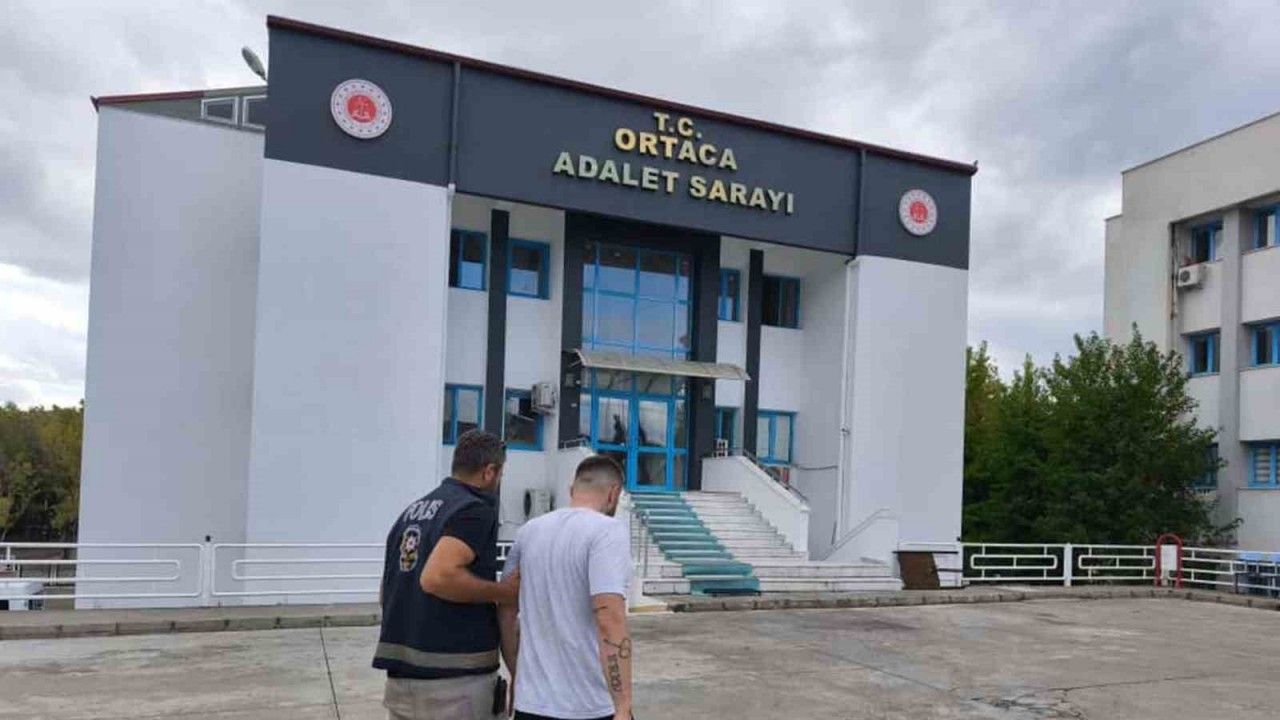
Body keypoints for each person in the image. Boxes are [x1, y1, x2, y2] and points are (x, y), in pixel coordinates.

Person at [373, 429, 518, 720]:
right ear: (489, 471)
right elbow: (437, 577)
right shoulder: (473, 510)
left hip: (402, 681)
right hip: (454, 685)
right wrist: (504, 592)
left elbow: (386, 590)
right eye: (500, 474)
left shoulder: (411, 513)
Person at [498, 455, 634, 720]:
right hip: (587, 706)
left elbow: (506, 610)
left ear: (572, 490)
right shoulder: (607, 531)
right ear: (613, 494)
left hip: (531, 704)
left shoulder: (528, 531)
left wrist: (518, 676)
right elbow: (609, 618)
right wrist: (623, 705)